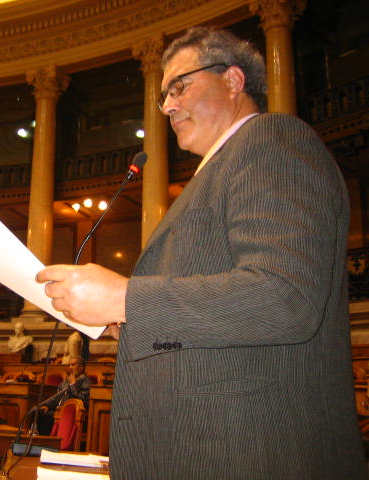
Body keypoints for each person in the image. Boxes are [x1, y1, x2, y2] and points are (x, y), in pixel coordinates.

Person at [36, 27, 366, 478]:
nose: (168, 105)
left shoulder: (271, 140)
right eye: (164, 95)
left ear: (232, 80)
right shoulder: (220, 171)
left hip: (252, 455)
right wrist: (130, 319)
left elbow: (285, 295)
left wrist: (127, 299)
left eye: (179, 85)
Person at [36, 355, 90, 435]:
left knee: (48, 418)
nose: (70, 367)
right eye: (69, 365)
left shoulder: (86, 382)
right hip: (59, 410)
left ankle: (51, 442)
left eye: (73, 365)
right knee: (40, 412)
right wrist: (47, 405)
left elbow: (84, 400)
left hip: (73, 413)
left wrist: (72, 385)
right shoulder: (66, 382)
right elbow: (57, 397)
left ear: (81, 367)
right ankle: (44, 442)